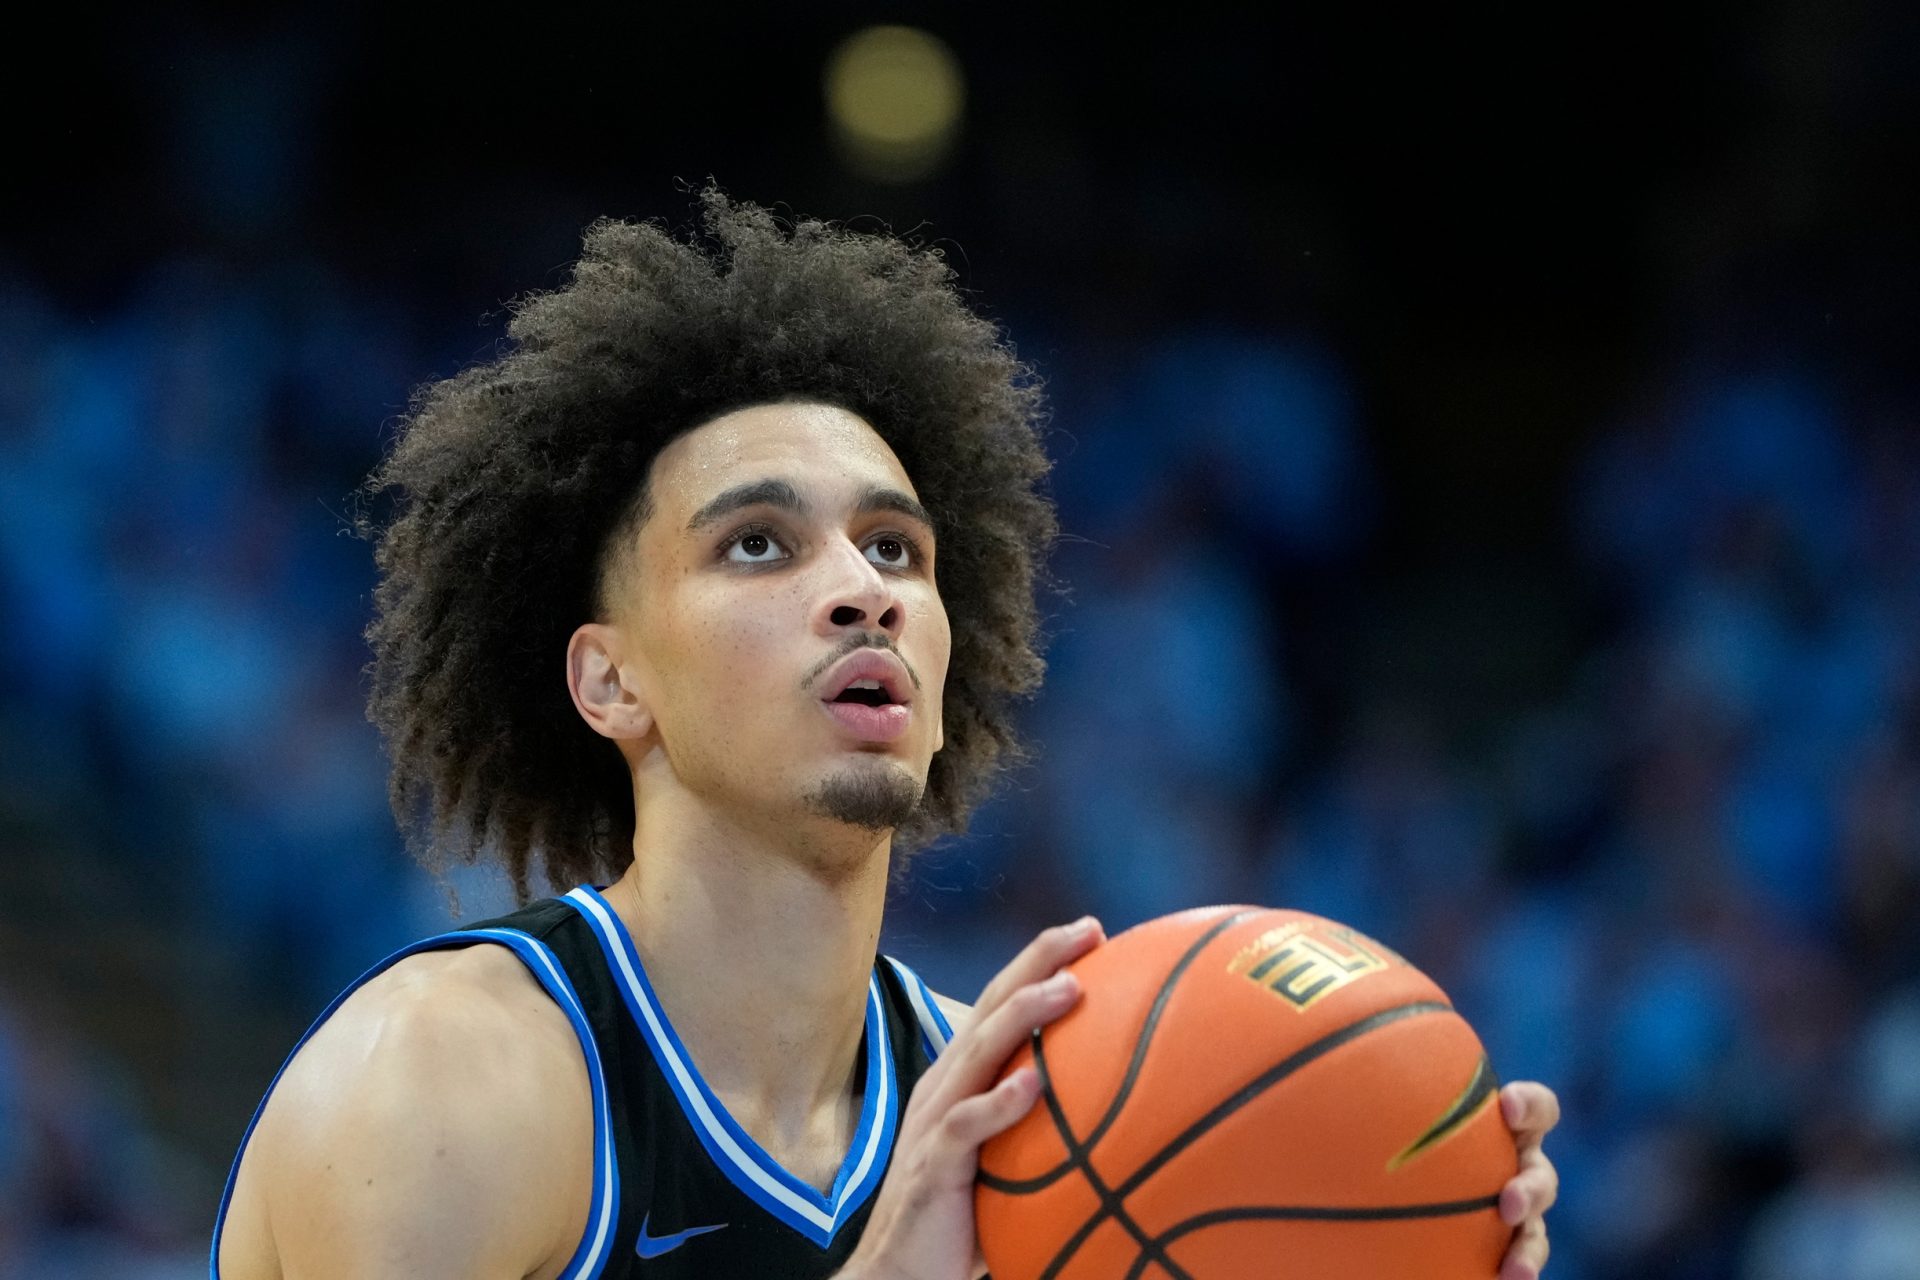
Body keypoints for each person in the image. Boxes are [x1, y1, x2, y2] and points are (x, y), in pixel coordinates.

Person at [210, 190, 1560, 1279]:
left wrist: (1417, 1229)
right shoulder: (447, 1084)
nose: (863, 587)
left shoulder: (1034, 1114)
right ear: (610, 683)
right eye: (757, 544)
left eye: (897, 548)